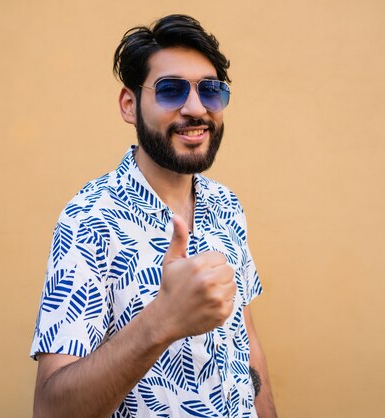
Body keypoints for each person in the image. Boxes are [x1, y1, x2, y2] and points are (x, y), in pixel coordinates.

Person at [30, 14, 277, 418]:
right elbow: (51, 410)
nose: (196, 108)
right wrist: (161, 321)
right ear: (130, 105)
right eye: (170, 90)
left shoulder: (227, 205)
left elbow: (248, 344)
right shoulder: (89, 219)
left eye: (210, 91)